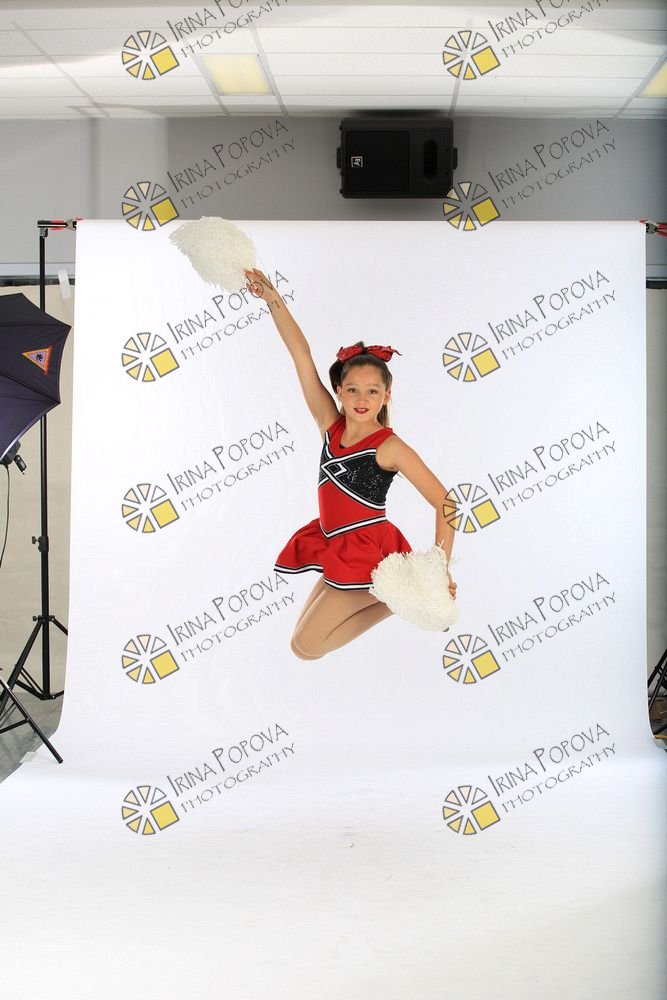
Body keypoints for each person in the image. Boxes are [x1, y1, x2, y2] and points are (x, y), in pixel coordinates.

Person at [244, 267, 457, 660]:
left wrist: (439, 568)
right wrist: (272, 298)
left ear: (386, 395)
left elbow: (446, 503)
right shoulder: (330, 425)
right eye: (354, 389)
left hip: (366, 550)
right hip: (335, 543)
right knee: (299, 645)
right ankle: (404, 595)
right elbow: (301, 355)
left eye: (373, 391)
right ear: (339, 391)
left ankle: (406, 594)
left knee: (307, 646)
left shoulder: (389, 446)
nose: (362, 399)